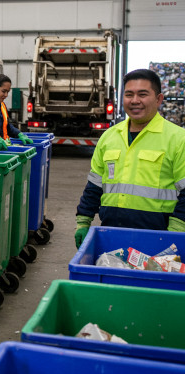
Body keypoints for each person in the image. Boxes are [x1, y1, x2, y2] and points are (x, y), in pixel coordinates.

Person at [74, 69, 185, 248]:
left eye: (142, 94)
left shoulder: (178, 139)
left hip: (158, 238)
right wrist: (83, 221)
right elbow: (94, 185)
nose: (134, 100)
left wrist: (175, 234)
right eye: (129, 94)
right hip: (112, 235)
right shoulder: (109, 137)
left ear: (158, 99)